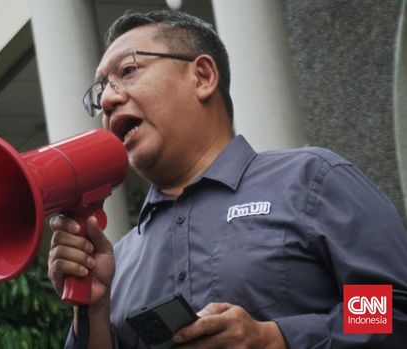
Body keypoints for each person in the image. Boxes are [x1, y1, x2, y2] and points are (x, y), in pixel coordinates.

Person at [47, 9, 407, 349]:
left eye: (128, 70)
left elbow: (392, 308)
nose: (108, 98)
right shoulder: (117, 264)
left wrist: (278, 338)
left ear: (203, 76)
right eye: (100, 91)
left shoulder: (311, 178)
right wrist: (93, 311)